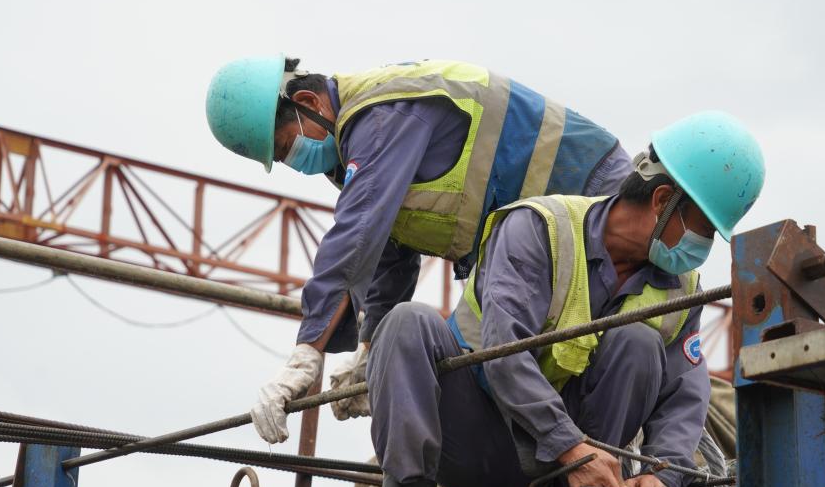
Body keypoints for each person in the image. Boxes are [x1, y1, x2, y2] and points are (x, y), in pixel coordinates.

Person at [362, 111, 766, 487]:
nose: (701, 249)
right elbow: (504, 350)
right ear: (661, 198)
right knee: (406, 322)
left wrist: (660, 472)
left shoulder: (682, 290)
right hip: (476, 435)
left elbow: (685, 395)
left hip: (569, 474)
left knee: (639, 341)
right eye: (703, 230)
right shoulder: (540, 229)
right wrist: (570, 447)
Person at [205, 57, 635, 442]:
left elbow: (356, 233)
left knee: (572, 357)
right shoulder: (354, 146)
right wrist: (369, 350)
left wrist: (306, 353)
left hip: (592, 192)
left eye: (285, 148)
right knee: (495, 358)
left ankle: (629, 466)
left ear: (308, 102)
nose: (294, 163)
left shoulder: (379, 118)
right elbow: (393, 252)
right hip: (540, 230)